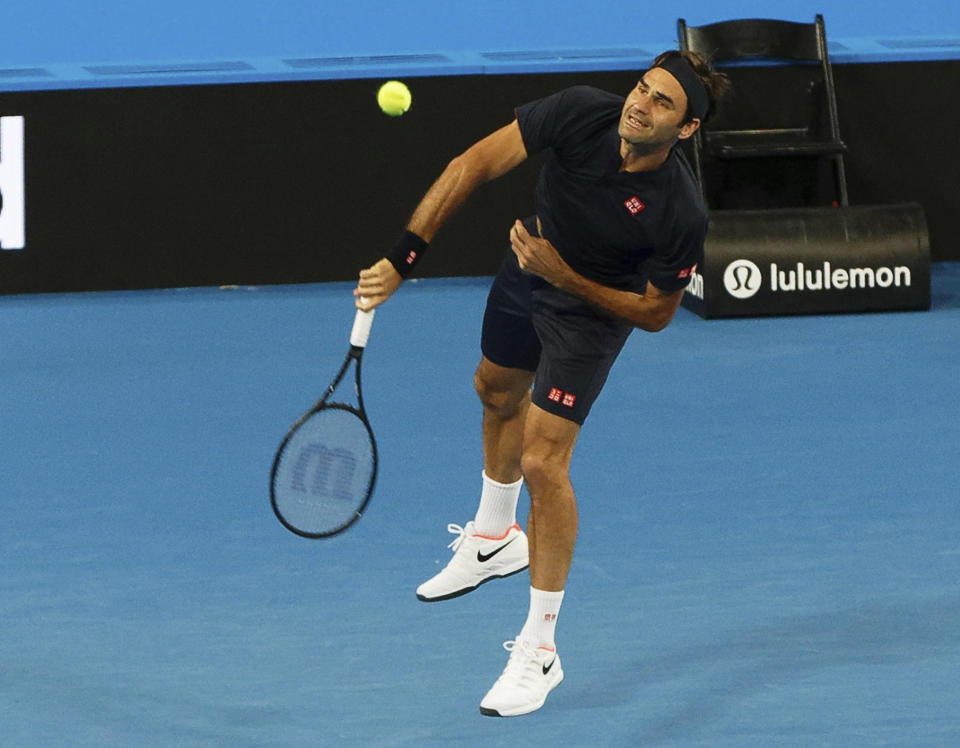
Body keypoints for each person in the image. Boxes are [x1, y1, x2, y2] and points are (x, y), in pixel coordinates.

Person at [354, 50, 730, 717]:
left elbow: (657, 313)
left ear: (687, 130)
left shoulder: (680, 210)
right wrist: (401, 258)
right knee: (494, 391)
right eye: (642, 89)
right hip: (531, 266)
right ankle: (495, 540)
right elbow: (471, 164)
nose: (639, 104)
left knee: (543, 461)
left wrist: (565, 277)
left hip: (591, 311)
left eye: (662, 103)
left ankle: (541, 649)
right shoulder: (582, 111)